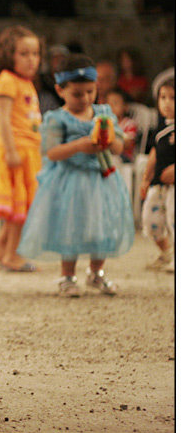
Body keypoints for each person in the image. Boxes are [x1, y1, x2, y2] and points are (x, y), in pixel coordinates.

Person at [17, 54, 134, 296]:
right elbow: (52, 151)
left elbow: (120, 147)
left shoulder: (103, 113)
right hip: (70, 181)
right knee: (71, 228)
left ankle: (96, 272)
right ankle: (68, 276)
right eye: (77, 94)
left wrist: (109, 142)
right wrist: (79, 146)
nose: (85, 99)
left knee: (102, 226)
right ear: (60, 90)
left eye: (90, 92)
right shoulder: (56, 118)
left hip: (101, 180)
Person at [0, 25, 42, 272]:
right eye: (24, 53)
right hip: (14, 150)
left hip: (28, 151)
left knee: (22, 204)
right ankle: (13, 254)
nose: (31, 59)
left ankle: (1, 246)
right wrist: (11, 151)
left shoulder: (25, 83)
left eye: (35, 54)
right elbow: (2, 119)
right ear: (9, 55)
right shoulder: (6, 81)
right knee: (18, 208)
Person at [139, 77, 175, 273]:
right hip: (159, 185)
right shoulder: (161, 128)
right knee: (151, 220)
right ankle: (167, 253)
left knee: (175, 218)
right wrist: (146, 177)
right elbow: (155, 151)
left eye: (173, 98)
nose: (167, 102)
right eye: (163, 97)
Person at [105, 89, 138, 162]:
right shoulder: (104, 123)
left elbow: (128, 142)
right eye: (108, 103)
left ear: (125, 107)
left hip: (124, 157)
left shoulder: (129, 124)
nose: (111, 107)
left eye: (115, 103)